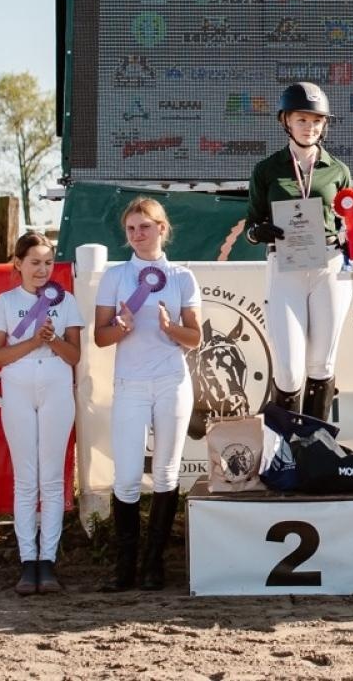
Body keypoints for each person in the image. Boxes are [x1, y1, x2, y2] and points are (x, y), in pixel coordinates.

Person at [94, 197, 203, 592]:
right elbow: (100, 336)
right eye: (131, 229)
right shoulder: (115, 276)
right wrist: (121, 327)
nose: (137, 235)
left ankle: (154, 564)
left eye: (144, 227)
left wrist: (171, 328)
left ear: (161, 228)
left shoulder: (182, 277)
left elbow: (195, 337)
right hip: (130, 384)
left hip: (172, 381)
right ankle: (124, 565)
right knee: (125, 477)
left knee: (166, 474)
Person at [244, 81, 353, 419]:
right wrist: (258, 232)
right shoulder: (267, 169)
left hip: (328, 264)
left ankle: (315, 439)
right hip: (285, 265)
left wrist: (349, 234)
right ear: (286, 121)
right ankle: (285, 443)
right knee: (290, 369)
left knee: (322, 362)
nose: (310, 127)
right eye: (302, 120)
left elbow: (350, 222)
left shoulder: (338, 170)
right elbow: (251, 224)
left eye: (317, 120)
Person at [0, 232, 83, 595]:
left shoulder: (66, 300)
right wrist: (33, 342)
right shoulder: (5, 302)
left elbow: (74, 356)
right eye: (35, 262)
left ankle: (48, 561)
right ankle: (28, 561)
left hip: (57, 387)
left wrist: (53, 340)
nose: (42, 270)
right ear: (18, 264)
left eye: (48, 262)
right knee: (26, 480)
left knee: (52, 479)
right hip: (19, 389)